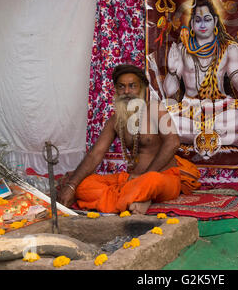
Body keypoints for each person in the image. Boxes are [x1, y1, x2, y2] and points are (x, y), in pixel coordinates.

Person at [57, 64, 200, 214]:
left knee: (151, 181)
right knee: (84, 185)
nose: (126, 91)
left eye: (132, 86)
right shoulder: (115, 121)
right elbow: (95, 155)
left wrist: (143, 177)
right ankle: (135, 198)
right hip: (131, 179)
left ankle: (128, 197)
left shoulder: (155, 109)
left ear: (143, 89)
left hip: (162, 178)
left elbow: (173, 143)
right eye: (121, 87)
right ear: (116, 91)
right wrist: (72, 185)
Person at [163, 0, 238, 148]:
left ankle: (202, 135)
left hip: (220, 107)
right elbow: (170, 91)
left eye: (207, 20)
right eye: (198, 20)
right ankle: (224, 138)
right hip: (190, 109)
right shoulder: (181, 49)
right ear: (192, 24)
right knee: (163, 123)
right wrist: (172, 71)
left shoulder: (228, 48)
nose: (202, 25)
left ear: (215, 21)